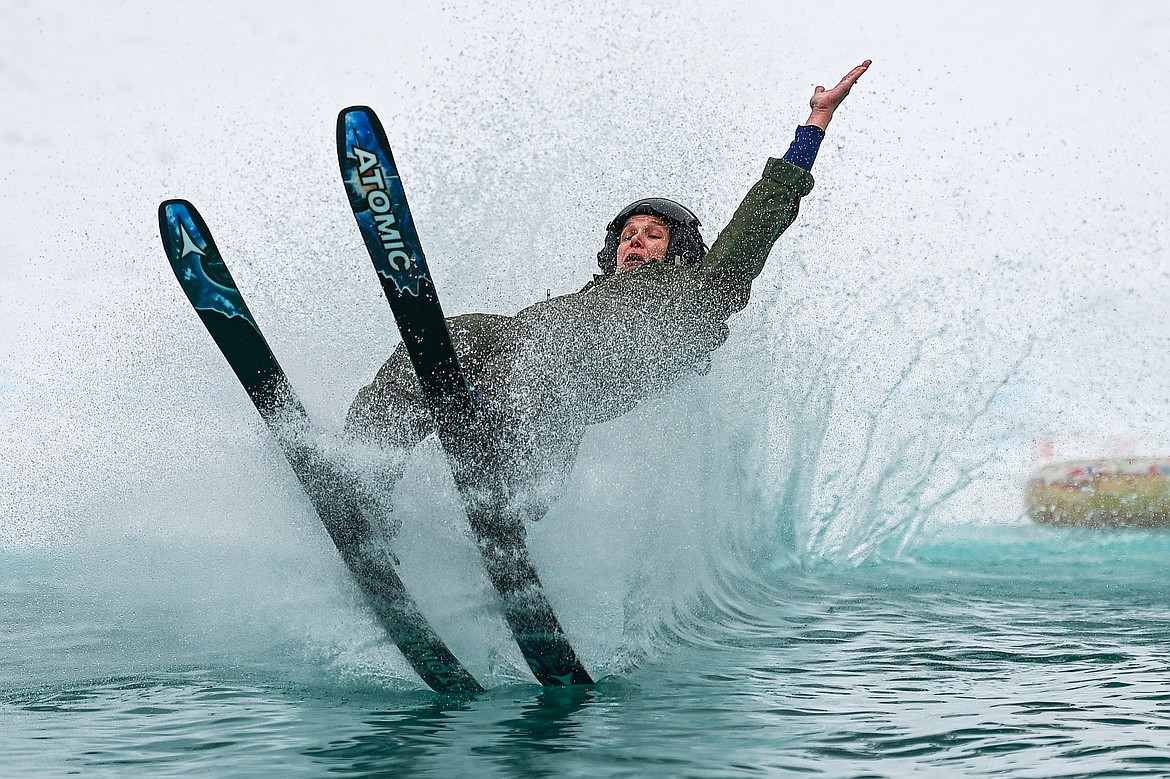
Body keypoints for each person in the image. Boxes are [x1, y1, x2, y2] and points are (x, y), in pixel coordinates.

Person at [345, 61, 872, 534]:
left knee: (534, 421)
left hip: (568, 390)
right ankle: (363, 472)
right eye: (627, 234)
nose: (634, 240)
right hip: (519, 356)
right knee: (455, 335)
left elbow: (767, 210)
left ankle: (506, 513)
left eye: (652, 234)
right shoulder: (587, 297)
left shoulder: (706, 289)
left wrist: (815, 124)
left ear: (680, 252)